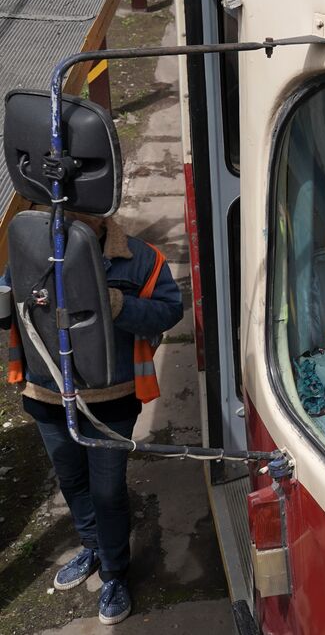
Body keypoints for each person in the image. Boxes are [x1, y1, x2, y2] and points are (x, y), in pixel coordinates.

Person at [3, 212, 182, 625]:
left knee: (107, 491)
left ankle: (115, 572)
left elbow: (168, 311)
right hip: (47, 395)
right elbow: (9, 294)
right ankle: (92, 546)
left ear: (104, 208)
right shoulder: (33, 250)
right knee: (71, 480)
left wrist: (115, 303)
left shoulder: (140, 260)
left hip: (110, 401)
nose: (67, 210)